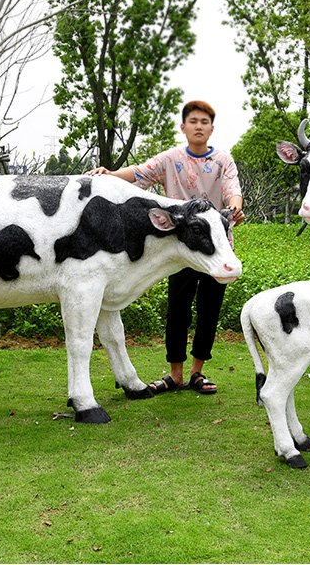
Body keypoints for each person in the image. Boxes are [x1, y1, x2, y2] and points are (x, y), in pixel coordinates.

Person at [89, 100, 244, 394]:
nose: (199, 126)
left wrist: (234, 209)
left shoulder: (224, 161)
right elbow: (140, 174)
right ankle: (175, 374)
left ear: (211, 128)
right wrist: (109, 175)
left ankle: (198, 373)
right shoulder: (171, 159)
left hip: (217, 249)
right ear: (183, 127)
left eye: (205, 122)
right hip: (179, 249)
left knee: (208, 310)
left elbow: (232, 191)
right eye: (193, 121)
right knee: (178, 310)